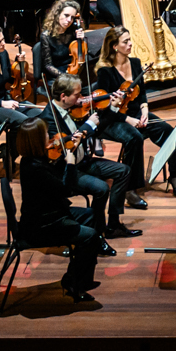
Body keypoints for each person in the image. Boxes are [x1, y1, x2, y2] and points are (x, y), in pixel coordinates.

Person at [13, 119, 103, 302]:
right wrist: (70, 164)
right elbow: (66, 189)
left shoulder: (32, 160)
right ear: (37, 140)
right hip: (43, 226)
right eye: (46, 134)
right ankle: (73, 284)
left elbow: (53, 176)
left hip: (49, 213)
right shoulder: (35, 168)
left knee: (92, 215)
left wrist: (67, 152)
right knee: (91, 236)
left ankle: (81, 277)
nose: (50, 137)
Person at [44, 74, 137, 240]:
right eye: (76, 95)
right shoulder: (48, 119)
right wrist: (88, 125)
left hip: (84, 162)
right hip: (68, 171)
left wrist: (113, 108)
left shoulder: (71, 109)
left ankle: (113, 225)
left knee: (123, 171)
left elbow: (97, 130)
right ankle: (97, 232)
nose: (81, 99)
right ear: (63, 96)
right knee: (101, 188)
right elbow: (63, 148)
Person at [93, 27, 176, 201]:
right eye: (125, 41)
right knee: (135, 138)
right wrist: (129, 120)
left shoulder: (136, 63)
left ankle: (174, 176)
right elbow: (104, 107)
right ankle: (130, 189)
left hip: (136, 113)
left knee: (168, 131)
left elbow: (143, 93)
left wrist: (145, 110)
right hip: (112, 118)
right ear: (115, 46)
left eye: (130, 40)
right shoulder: (105, 71)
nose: (130, 44)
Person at [35, 0, 84, 92]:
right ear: (57, 14)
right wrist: (65, 76)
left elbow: (81, 57)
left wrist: (81, 40)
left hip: (73, 72)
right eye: (66, 15)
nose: (69, 20)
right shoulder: (46, 36)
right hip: (56, 75)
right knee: (70, 91)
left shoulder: (74, 33)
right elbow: (48, 65)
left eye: (72, 17)